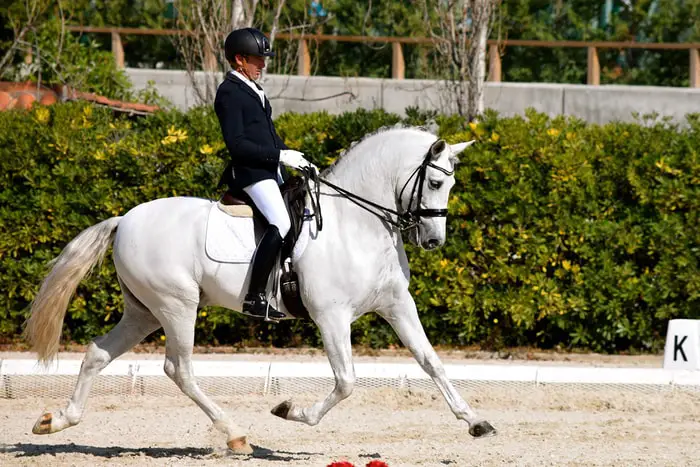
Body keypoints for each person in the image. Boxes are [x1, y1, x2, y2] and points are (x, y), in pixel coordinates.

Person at [214, 27, 316, 320]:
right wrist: (280, 155)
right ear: (239, 60)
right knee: (281, 222)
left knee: (300, 215)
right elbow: (238, 145)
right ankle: (254, 297)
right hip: (250, 174)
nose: (263, 64)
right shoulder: (230, 92)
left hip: (270, 171)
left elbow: (268, 138)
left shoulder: (255, 90)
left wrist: (295, 157)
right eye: (258, 59)